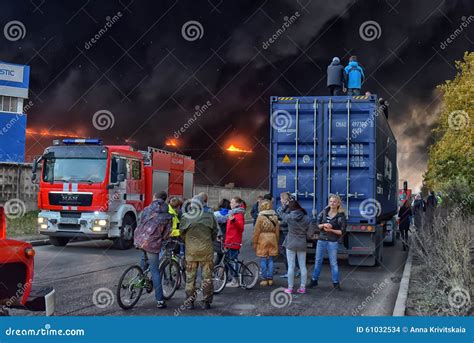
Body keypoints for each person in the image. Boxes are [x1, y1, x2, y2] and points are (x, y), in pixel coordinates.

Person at [180, 193, 218, 310]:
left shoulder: (186, 217)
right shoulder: (210, 216)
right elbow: (214, 233)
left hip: (191, 252)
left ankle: (190, 302)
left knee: (190, 278)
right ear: (203, 204)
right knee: (207, 278)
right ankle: (206, 302)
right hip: (206, 251)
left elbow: (182, 233)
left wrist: (189, 242)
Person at [133, 193, 172, 308]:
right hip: (152, 243)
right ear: (165, 200)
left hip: (140, 240)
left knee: (144, 260)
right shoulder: (167, 215)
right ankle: (160, 300)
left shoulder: (146, 209)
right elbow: (166, 234)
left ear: (154, 198)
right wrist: (163, 240)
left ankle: (140, 280)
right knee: (155, 270)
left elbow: (140, 223)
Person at [309, 194, 347, 290]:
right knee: (318, 261)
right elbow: (317, 224)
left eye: (334, 202)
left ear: (338, 203)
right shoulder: (324, 212)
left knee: (333, 263)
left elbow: (342, 231)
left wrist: (331, 230)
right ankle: (314, 280)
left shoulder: (341, 216)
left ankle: (336, 283)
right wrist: (323, 225)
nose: (332, 203)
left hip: (332, 241)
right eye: (330, 201)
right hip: (321, 239)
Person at [280, 198, 310, 294]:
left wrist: (285, 206)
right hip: (302, 243)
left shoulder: (289, 217)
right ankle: (302, 287)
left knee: (291, 266)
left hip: (291, 243)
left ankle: (290, 288)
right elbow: (311, 233)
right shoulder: (307, 218)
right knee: (302, 266)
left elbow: (280, 213)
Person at [252, 200, 280, 286]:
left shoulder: (260, 217)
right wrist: (277, 240)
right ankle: (270, 278)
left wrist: (255, 242)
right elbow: (277, 230)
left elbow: (257, 231)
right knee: (271, 259)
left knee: (263, 259)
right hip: (272, 238)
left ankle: (264, 278)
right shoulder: (275, 216)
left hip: (262, 238)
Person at [224, 196, 246, 287]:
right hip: (229, 240)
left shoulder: (239, 215)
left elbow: (241, 228)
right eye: (230, 202)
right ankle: (233, 278)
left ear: (237, 204)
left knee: (233, 261)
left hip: (235, 241)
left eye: (232, 202)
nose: (230, 204)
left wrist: (234, 221)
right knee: (228, 261)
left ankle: (235, 280)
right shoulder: (231, 213)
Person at [213, 198, 231, 264]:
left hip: (218, 238)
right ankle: (225, 272)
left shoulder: (215, 214)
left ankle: (214, 271)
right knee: (227, 258)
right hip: (228, 237)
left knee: (219, 256)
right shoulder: (230, 214)